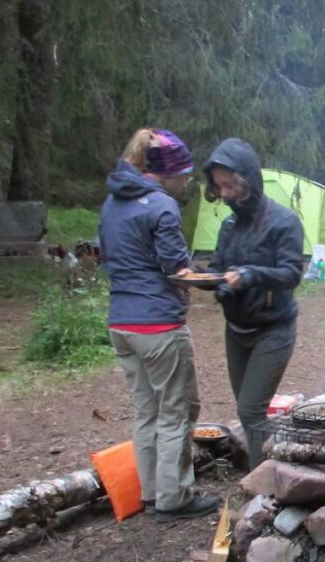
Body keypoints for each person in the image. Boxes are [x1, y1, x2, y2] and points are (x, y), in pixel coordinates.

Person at [98, 129, 220, 521]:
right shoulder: (161, 206)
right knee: (177, 410)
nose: (186, 182)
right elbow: (177, 270)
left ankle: (151, 493)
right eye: (184, 174)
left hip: (121, 324)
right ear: (166, 174)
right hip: (158, 327)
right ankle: (174, 498)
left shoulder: (113, 203)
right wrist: (221, 279)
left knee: (146, 410)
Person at [202, 138, 304, 469]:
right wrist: (210, 282)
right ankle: (268, 466)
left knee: (250, 409)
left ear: (249, 178)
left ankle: (264, 484)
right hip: (237, 329)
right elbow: (219, 268)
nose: (226, 193)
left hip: (273, 328)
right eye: (220, 187)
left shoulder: (283, 221)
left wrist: (250, 275)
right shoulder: (229, 225)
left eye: (231, 184)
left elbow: (290, 274)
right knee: (247, 409)